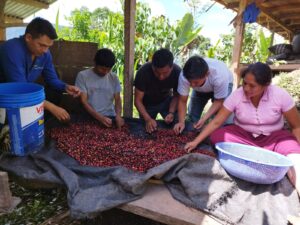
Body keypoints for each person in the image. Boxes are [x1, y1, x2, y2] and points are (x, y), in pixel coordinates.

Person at [184, 62, 300, 194]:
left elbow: (296, 126)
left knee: (293, 151)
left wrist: (296, 148)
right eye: (245, 83)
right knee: (219, 135)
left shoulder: (280, 95)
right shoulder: (237, 95)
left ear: (266, 85)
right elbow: (216, 122)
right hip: (244, 136)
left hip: (274, 138)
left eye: (252, 86)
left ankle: (289, 167)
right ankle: (264, 156)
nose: (246, 88)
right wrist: (195, 141)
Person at [0, 17, 80, 122]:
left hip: (24, 97)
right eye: (42, 45)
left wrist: (65, 87)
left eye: (48, 46)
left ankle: (41, 122)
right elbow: (20, 90)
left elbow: (52, 79)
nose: (45, 51)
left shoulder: (45, 54)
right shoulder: (12, 50)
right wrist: (51, 107)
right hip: (6, 98)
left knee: (54, 91)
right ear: (28, 37)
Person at [174, 56, 233, 135]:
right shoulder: (184, 76)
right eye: (189, 82)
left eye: (195, 82)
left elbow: (218, 102)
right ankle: (194, 136)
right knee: (192, 117)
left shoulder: (220, 77)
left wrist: (204, 119)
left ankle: (216, 137)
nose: (192, 85)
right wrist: (181, 122)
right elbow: (182, 101)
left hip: (223, 85)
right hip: (200, 90)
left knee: (220, 119)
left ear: (207, 74)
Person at [134, 48, 181, 133]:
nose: (161, 77)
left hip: (166, 100)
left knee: (174, 127)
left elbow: (176, 96)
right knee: (147, 129)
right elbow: (137, 100)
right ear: (152, 66)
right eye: (157, 72)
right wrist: (148, 119)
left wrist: (171, 112)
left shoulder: (177, 72)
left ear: (171, 67)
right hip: (147, 104)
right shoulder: (143, 72)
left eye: (165, 73)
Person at [75, 48, 124, 129]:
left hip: (110, 117)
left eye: (108, 69)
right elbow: (84, 102)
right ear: (95, 63)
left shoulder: (114, 77)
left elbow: (118, 99)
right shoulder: (83, 76)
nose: (105, 72)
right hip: (89, 118)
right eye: (102, 69)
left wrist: (118, 116)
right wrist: (100, 118)